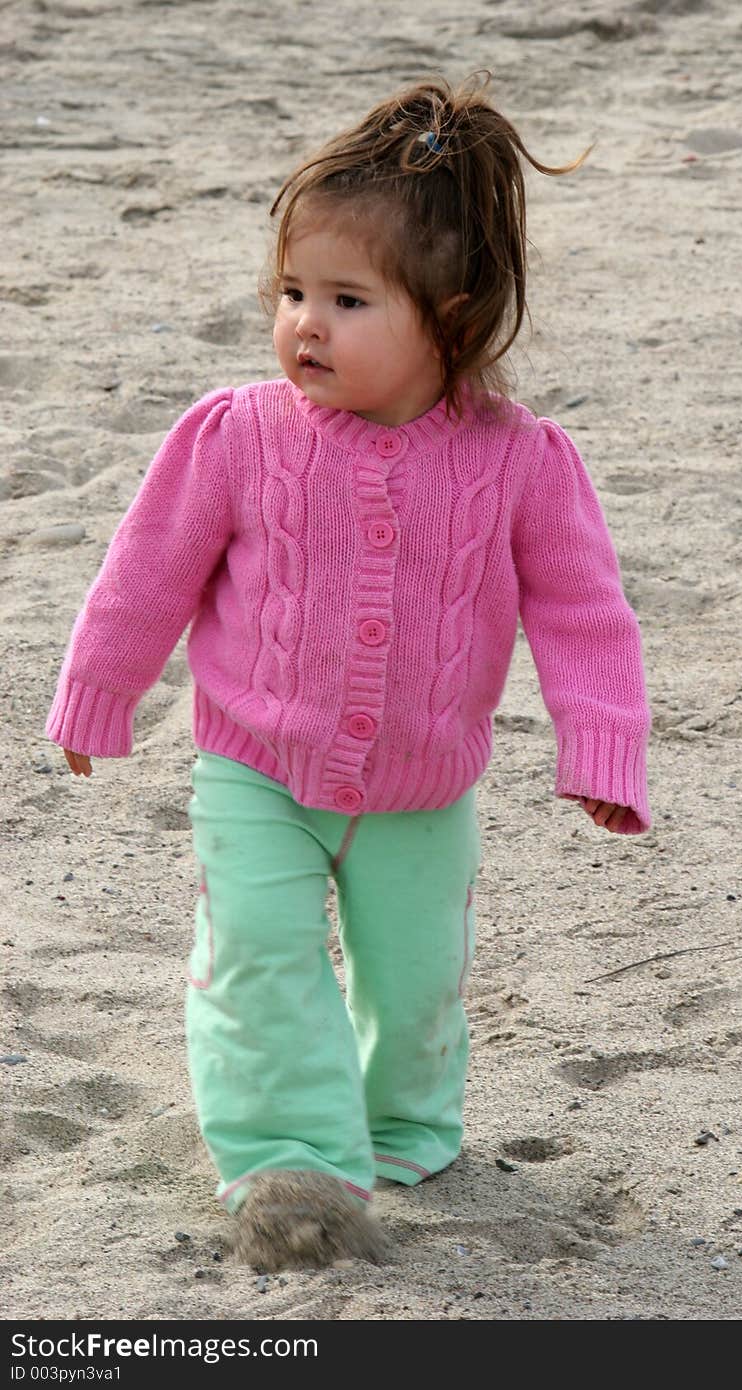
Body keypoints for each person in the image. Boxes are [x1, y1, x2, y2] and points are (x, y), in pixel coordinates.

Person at [45, 75, 652, 1270]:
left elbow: (586, 614)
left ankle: (401, 1125)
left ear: (452, 316)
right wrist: (99, 692)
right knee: (258, 957)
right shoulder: (237, 435)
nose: (303, 324)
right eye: (291, 292)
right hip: (254, 764)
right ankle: (292, 1165)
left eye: (347, 299)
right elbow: (145, 571)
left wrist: (600, 744)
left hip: (426, 783)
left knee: (417, 979)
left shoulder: (521, 462)